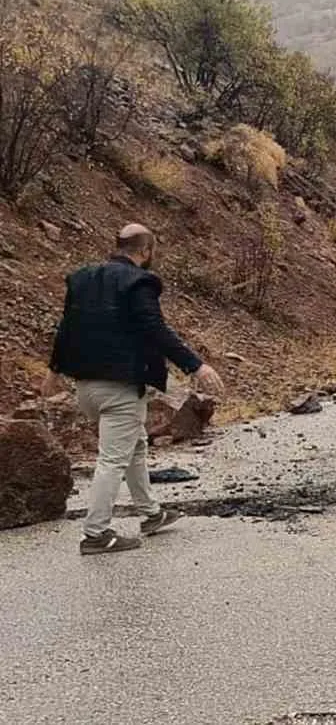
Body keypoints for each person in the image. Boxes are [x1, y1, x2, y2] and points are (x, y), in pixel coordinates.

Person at [49, 223, 225, 555]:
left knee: (136, 446)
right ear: (145, 252)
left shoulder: (83, 278)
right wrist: (195, 365)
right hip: (119, 389)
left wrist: (53, 370)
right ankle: (96, 533)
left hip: (85, 387)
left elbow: (67, 326)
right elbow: (155, 329)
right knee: (113, 459)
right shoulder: (139, 282)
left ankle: (151, 513)